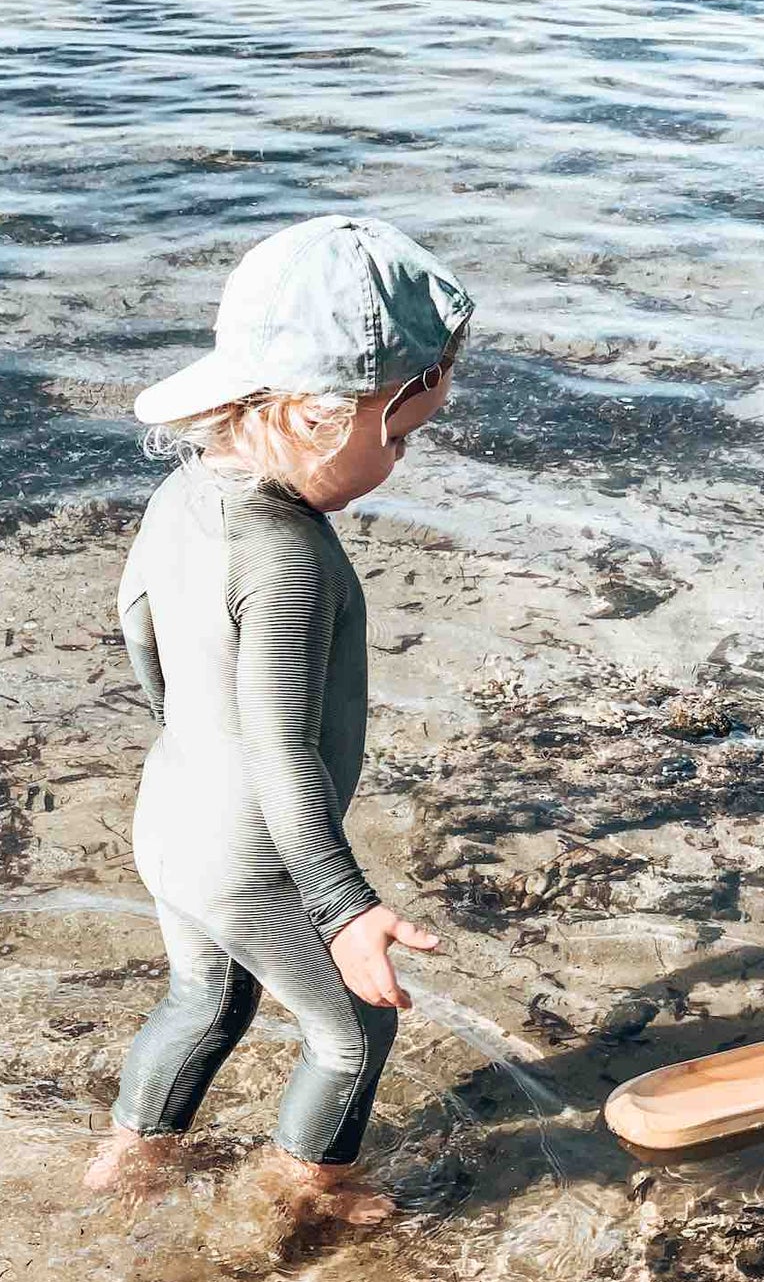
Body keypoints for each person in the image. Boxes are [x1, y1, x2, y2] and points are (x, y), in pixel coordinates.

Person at [84, 215, 474, 1225]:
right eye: (394, 435)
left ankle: (129, 1161)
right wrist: (342, 907)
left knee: (202, 1001)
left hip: (170, 817)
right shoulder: (286, 555)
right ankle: (302, 1191)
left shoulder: (182, 495)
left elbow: (135, 627)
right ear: (314, 415)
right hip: (251, 854)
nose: (396, 461)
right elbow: (279, 745)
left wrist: (187, 740)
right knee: (354, 1032)